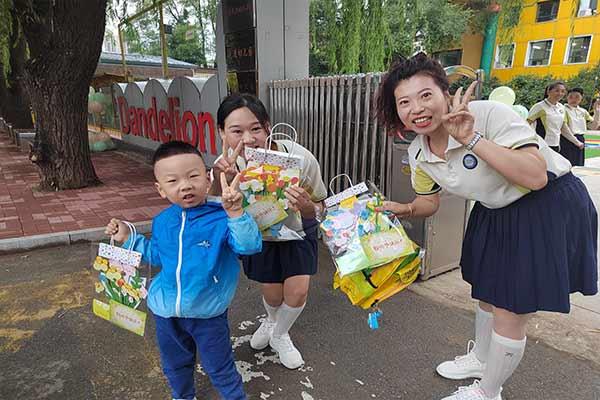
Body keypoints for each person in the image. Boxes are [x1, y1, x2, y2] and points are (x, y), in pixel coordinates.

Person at [374, 53, 598, 400]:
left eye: (425, 95)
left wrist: (470, 139)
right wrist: (400, 209)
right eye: (404, 102)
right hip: (495, 209)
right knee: (486, 292)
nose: (415, 108)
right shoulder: (419, 153)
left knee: (510, 306)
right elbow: (429, 202)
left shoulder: (489, 115)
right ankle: (481, 359)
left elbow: (536, 176)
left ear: (445, 93)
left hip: (546, 205)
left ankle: (488, 392)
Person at [104, 141, 262, 400]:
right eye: (173, 180)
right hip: (165, 313)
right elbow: (157, 255)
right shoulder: (163, 221)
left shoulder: (221, 217)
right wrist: (127, 237)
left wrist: (235, 213)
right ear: (161, 189)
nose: (185, 185)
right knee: (175, 365)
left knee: (219, 367)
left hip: (207, 312)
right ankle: (182, 396)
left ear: (207, 177)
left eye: (193, 176)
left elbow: (248, 247)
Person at [210, 93, 327, 370]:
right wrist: (220, 179)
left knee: (297, 293)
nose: (248, 139)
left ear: (268, 126)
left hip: (297, 231)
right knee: (273, 296)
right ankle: (272, 321)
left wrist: (309, 207)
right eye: (236, 131)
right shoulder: (225, 165)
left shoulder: (299, 157)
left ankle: (280, 334)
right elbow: (213, 205)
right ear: (222, 133)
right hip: (257, 236)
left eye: (255, 129)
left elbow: (322, 205)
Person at [527, 81, 584, 153]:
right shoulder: (539, 107)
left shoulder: (561, 107)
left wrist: (577, 142)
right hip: (542, 145)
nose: (560, 94)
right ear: (548, 92)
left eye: (563, 91)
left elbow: (564, 128)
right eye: (557, 91)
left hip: (556, 145)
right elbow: (527, 124)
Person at [562, 88, 600, 166]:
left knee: (578, 165)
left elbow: (593, 127)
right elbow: (564, 128)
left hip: (580, 139)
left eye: (577, 97)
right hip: (567, 139)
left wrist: (597, 112)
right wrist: (576, 142)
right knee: (567, 165)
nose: (574, 99)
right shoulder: (563, 109)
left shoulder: (583, 111)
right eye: (571, 97)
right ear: (567, 97)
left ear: (581, 98)